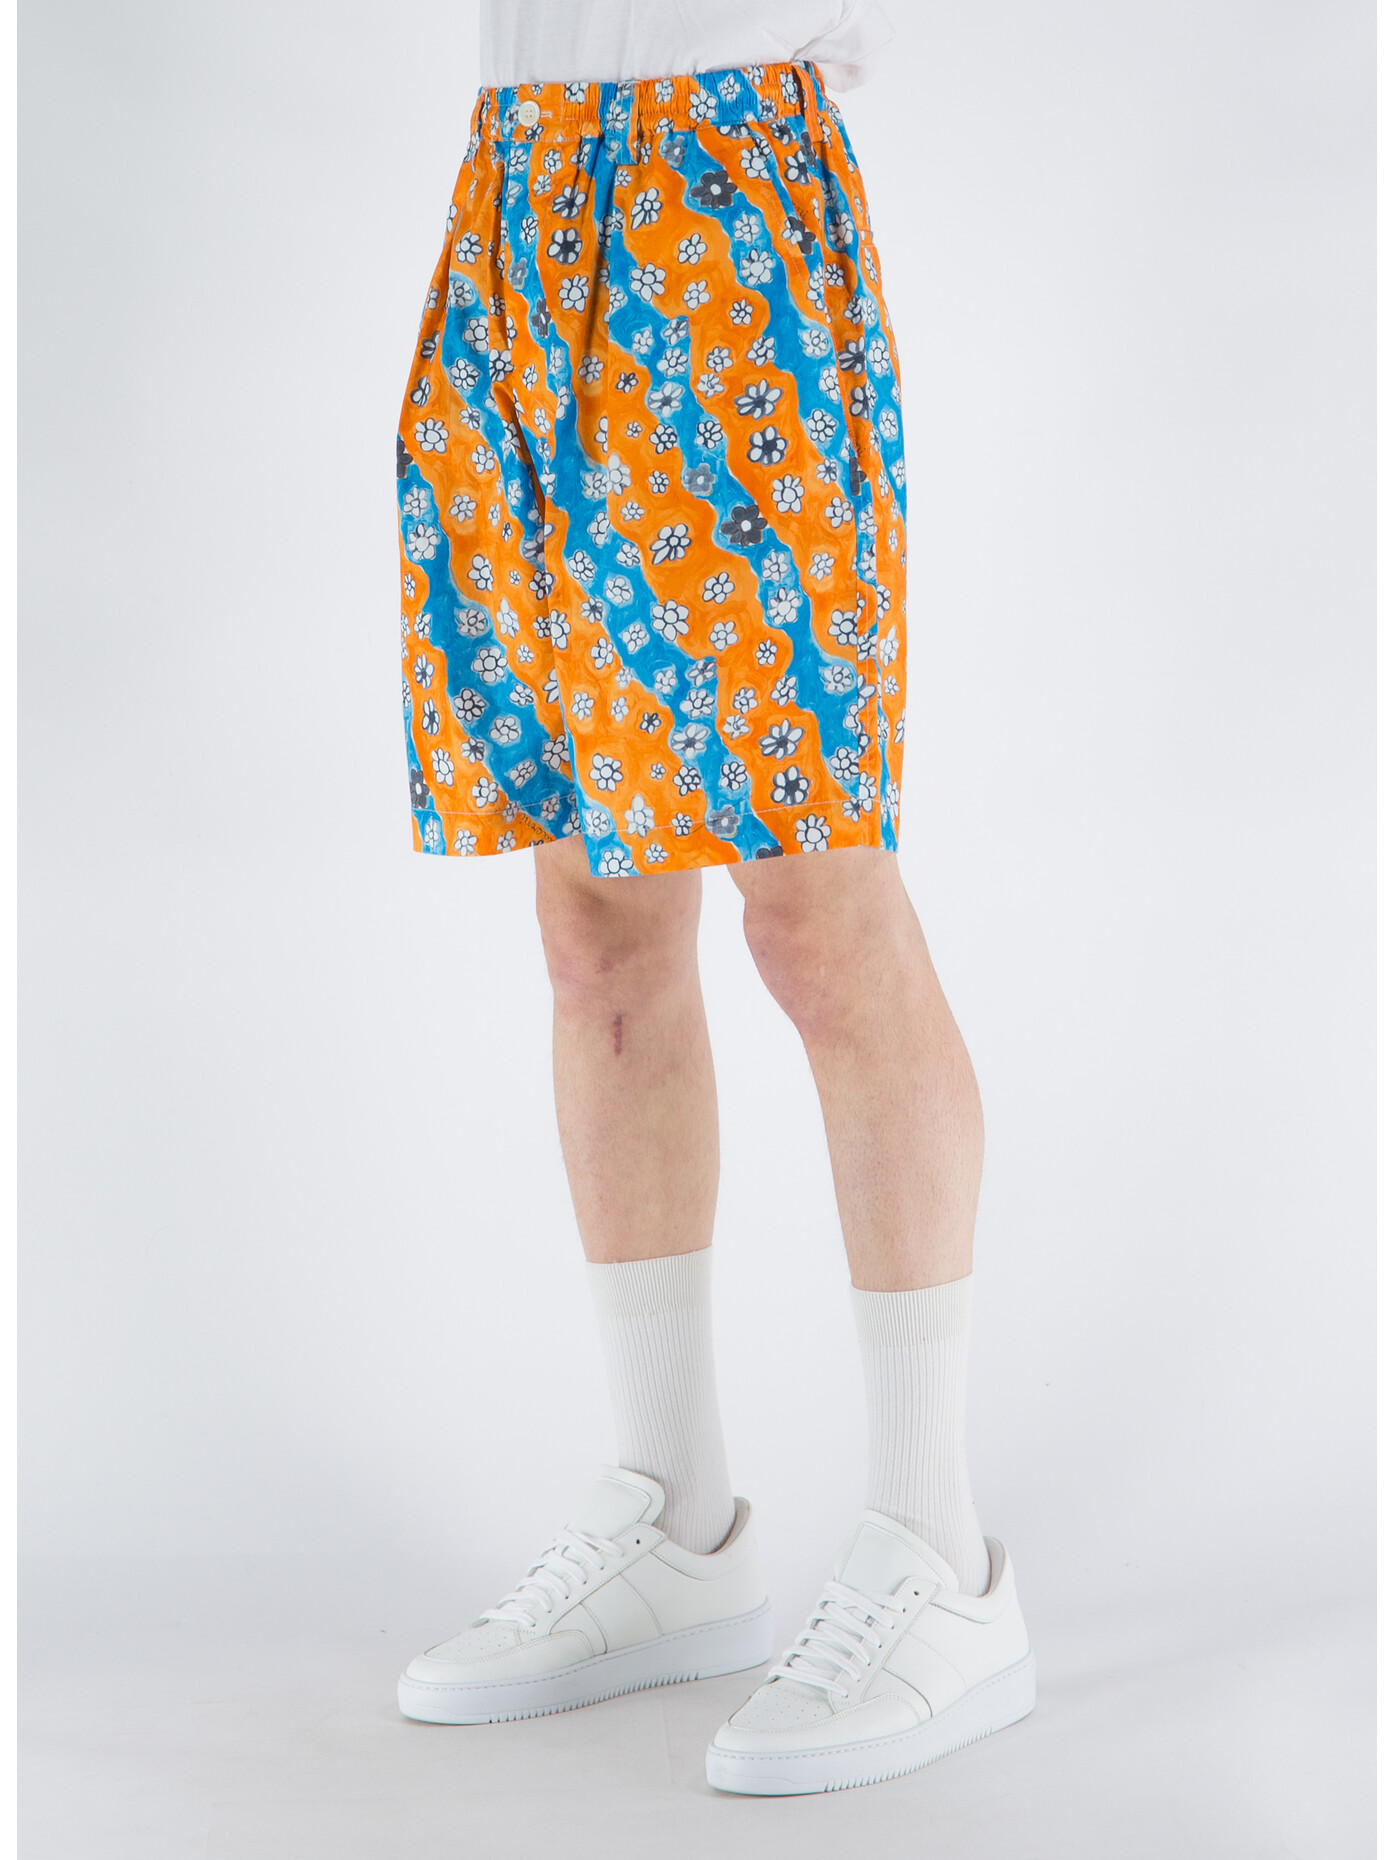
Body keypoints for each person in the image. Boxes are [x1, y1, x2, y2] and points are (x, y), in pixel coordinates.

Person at [392, 0, 1033, 1796]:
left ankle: (940, 1554)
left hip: (728, 201)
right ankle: (678, 1520)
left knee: (818, 911)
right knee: (591, 917)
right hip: (519, 197)